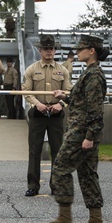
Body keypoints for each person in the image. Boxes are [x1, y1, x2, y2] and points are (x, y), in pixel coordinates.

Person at [39, 34, 109, 223]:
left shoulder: (94, 76)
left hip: (81, 132)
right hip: (84, 130)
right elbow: (83, 103)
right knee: (87, 175)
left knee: (60, 168)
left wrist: (90, 136)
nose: (77, 52)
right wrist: (66, 97)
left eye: (81, 49)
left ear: (92, 51)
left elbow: (96, 111)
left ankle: (64, 219)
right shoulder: (90, 73)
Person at [22, 35, 71, 196]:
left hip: (56, 113)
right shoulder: (32, 69)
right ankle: (33, 185)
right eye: (46, 48)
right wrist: (38, 104)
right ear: (40, 50)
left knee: (57, 151)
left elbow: (69, 92)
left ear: (55, 50)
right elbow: (26, 91)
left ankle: (56, 186)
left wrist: (61, 104)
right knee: (35, 150)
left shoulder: (62, 70)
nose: (49, 51)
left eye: (51, 48)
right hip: (38, 112)